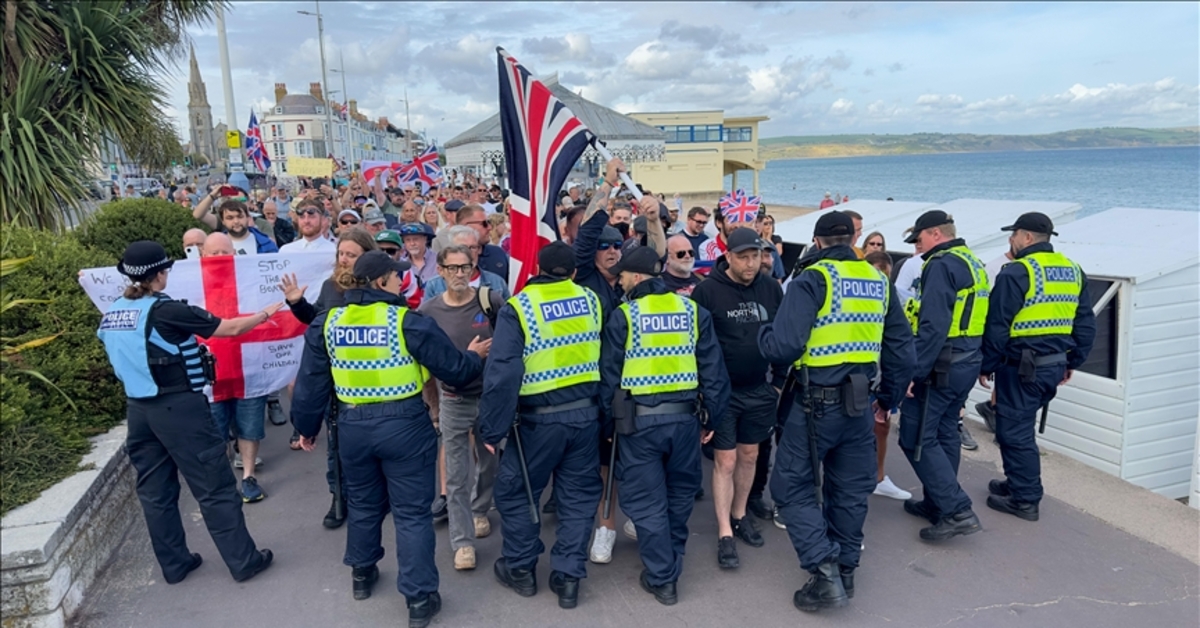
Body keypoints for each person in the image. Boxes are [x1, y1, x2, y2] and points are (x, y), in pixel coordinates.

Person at [291, 251, 489, 628]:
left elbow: (310, 381)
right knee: (412, 514)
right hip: (404, 425)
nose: (401, 281)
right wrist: (474, 356)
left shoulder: (328, 322)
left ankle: (362, 574)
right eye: (395, 277)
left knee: (364, 504)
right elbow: (454, 369)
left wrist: (306, 428)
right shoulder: (405, 321)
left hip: (352, 426)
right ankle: (419, 599)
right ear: (380, 282)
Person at [757, 211, 914, 613]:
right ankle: (846, 570)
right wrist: (888, 400)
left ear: (818, 240)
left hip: (816, 403)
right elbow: (900, 346)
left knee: (790, 488)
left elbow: (785, 346)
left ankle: (824, 571)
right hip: (861, 403)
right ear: (853, 238)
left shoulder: (813, 278)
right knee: (848, 489)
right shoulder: (878, 281)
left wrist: (764, 334)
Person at [97, 241, 276, 585]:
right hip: (180, 409)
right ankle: (244, 561)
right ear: (158, 274)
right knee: (214, 487)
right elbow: (231, 329)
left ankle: (175, 565)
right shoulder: (167, 311)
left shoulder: (115, 310)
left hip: (138, 410)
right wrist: (266, 312)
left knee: (155, 493)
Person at [598, 246, 730, 605]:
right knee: (678, 496)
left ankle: (662, 577)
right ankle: (671, 562)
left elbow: (608, 380)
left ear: (638, 278)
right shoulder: (692, 311)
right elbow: (714, 373)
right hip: (685, 421)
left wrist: (607, 426)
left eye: (624, 275)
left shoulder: (624, 315)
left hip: (639, 424)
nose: (620, 280)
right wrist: (712, 419)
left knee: (647, 500)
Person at [477, 242, 605, 609]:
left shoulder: (520, 307)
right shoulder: (591, 301)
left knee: (519, 495)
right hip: (584, 415)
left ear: (537, 268)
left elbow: (503, 373)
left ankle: (520, 568)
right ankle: (568, 578)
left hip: (536, 422)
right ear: (575, 272)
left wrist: (492, 428)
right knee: (578, 498)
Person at [979, 212, 1096, 522]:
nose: (1011, 240)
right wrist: (1073, 361)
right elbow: (1084, 322)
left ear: (1027, 237)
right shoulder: (1073, 270)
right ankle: (1017, 482)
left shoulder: (1017, 272)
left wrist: (986, 364)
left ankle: (1026, 499)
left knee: (1015, 432)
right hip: (1052, 365)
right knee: (1018, 427)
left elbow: (997, 325)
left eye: (1014, 234)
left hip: (1021, 367)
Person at [691, 228, 785, 570]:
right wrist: (703, 392)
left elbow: (783, 335)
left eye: (756, 256)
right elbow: (696, 345)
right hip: (722, 392)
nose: (751, 263)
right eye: (743, 257)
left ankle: (741, 513)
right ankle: (724, 532)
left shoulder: (771, 288)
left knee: (750, 456)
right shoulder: (707, 292)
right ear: (727, 256)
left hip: (760, 389)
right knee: (725, 462)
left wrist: (778, 382)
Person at [278, 227, 381, 527]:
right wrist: (298, 304)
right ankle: (339, 497)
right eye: (341, 254)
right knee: (337, 445)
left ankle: (374, 495)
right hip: (338, 381)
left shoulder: (381, 285)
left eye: (352, 254)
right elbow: (318, 325)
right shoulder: (329, 287)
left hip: (375, 377)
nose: (345, 260)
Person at [897, 210, 988, 540]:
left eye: (919, 239)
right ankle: (937, 502)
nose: (917, 247)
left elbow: (933, 325)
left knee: (915, 436)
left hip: (942, 365)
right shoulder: (972, 262)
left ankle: (956, 510)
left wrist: (914, 373)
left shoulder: (940, 264)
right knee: (946, 431)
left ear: (935, 233)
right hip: (967, 361)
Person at [418, 244, 504, 572]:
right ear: (439, 270)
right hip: (453, 400)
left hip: (490, 399)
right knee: (455, 474)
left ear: (472, 269)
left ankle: (480, 509)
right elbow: (424, 362)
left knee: (489, 462)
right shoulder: (428, 312)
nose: (458, 274)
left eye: (464, 267)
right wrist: (434, 405)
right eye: (451, 268)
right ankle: (462, 542)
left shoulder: (490, 301)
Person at [863, 251, 911, 501]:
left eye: (886, 277)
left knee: (882, 425)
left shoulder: (895, 299)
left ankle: (879, 478)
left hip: (884, 374)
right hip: (861, 375)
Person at [422, 226, 509, 301]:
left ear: (479, 250)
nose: (469, 252)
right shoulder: (435, 285)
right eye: (462, 248)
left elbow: (507, 317)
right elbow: (427, 317)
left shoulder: (497, 282)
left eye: (473, 247)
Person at [456, 204, 509, 282]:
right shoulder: (448, 257)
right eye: (484, 223)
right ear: (466, 226)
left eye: (489, 222)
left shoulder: (498, 253)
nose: (490, 227)